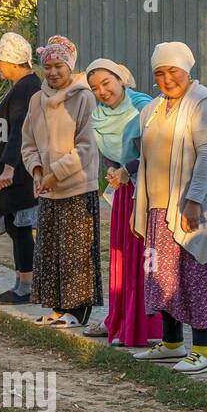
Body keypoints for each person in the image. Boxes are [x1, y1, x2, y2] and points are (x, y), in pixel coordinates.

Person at [130, 41, 207, 373]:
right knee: (162, 276)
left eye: (172, 71)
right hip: (158, 208)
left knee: (196, 275)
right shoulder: (153, 109)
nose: (166, 79)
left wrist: (194, 201)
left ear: (187, 70)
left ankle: (204, 350)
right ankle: (172, 344)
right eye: (159, 73)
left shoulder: (203, 103)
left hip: (192, 207)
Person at [21, 35, 103, 327]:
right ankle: (56, 307)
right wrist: (38, 172)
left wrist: (56, 173)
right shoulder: (36, 100)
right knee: (51, 249)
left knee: (76, 251)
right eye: (49, 67)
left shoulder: (84, 97)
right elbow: (28, 143)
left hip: (77, 186)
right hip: (48, 187)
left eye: (59, 66)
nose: (53, 72)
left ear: (70, 67)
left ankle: (78, 310)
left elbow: (86, 146)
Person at [85, 57, 158, 346]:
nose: (102, 91)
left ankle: (145, 325)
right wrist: (114, 171)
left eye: (106, 83)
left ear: (120, 80)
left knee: (143, 259)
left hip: (147, 190)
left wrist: (128, 170)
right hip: (123, 192)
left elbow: (154, 151)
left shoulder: (144, 106)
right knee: (121, 257)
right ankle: (120, 319)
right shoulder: (99, 116)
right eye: (95, 88)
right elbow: (108, 155)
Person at [0, 32, 42, 303]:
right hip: (12, 170)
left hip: (19, 173)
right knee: (13, 226)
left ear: (14, 61)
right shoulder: (19, 86)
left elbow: (20, 129)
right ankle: (21, 281)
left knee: (20, 228)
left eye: (1, 61)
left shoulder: (27, 88)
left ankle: (27, 286)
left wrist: (8, 166)